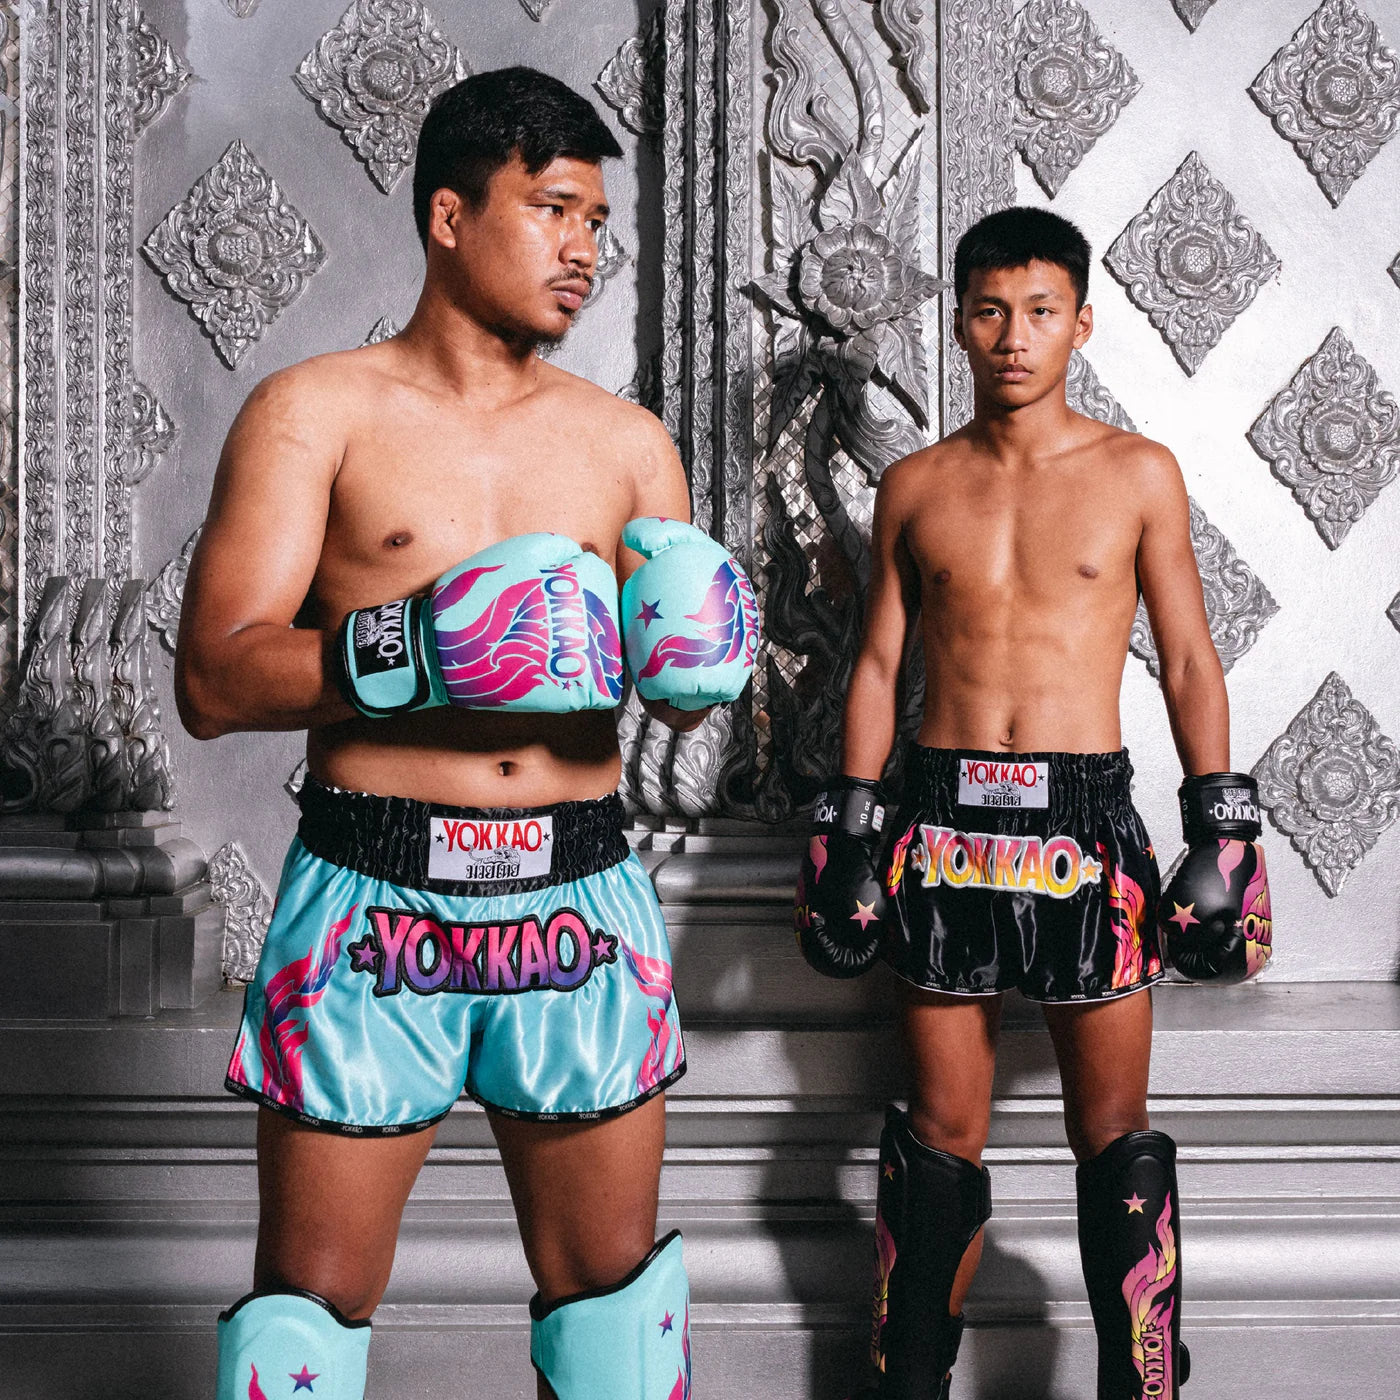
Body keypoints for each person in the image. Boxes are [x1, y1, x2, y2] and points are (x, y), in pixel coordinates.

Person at [177, 67, 757, 1400]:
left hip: (578, 894)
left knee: (617, 1328)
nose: (584, 250)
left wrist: (704, 666)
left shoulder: (629, 446)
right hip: (372, 898)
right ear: (449, 215)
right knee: (303, 1329)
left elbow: (676, 699)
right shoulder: (314, 412)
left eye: (597, 221)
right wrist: (416, 648)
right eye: (551, 209)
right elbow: (214, 678)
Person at [794, 206, 1272, 1400]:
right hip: (940, 824)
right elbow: (873, 665)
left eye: (1040, 311)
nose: (1014, 335)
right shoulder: (913, 485)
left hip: (1082, 825)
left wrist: (1221, 827)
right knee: (936, 1135)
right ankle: (907, 1386)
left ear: (1079, 323)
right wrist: (849, 822)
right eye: (990, 311)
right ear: (958, 322)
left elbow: (1188, 657)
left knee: (1113, 1137)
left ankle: (1139, 1387)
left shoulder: (1136, 473)